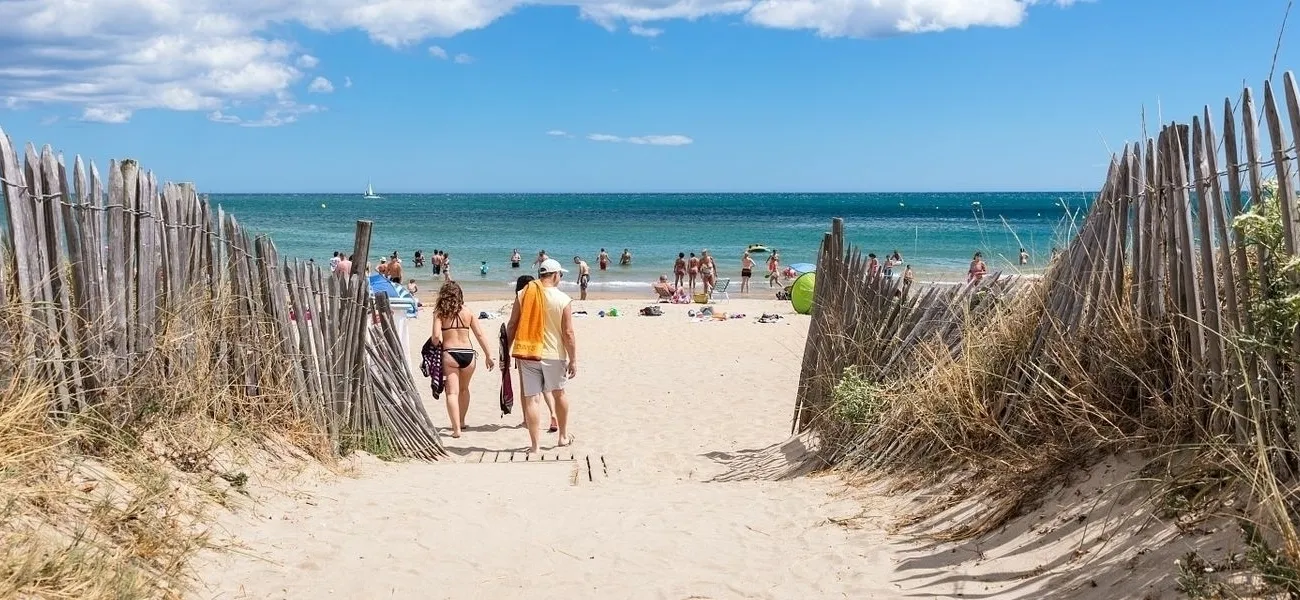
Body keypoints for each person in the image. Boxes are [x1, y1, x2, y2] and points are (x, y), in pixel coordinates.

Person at [507, 259, 576, 452]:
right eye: (560, 275)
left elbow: (512, 324)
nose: (560, 278)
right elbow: (568, 332)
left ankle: (535, 445)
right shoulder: (563, 299)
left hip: (528, 352)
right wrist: (574, 359)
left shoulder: (524, 294)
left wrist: (507, 348)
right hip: (555, 353)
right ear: (555, 275)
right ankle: (562, 436)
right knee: (559, 393)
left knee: (532, 398)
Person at [432, 281, 496, 438]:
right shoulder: (468, 312)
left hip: (450, 354)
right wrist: (489, 355)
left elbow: (435, 337)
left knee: (452, 393)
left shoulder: (440, 312)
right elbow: (480, 334)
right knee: (464, 389)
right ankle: (461, 420)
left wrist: (436, 344)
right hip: (468, 354)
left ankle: (456, 430)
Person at [508, 275, 558, 433]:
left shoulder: (522, 297)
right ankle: (553, 414)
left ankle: (526, 420)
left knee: (527, 389)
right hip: (546, 345)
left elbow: (512, 324)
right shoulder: (544, 296)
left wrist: (506, 347)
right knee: (546, 386)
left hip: (526, 347)